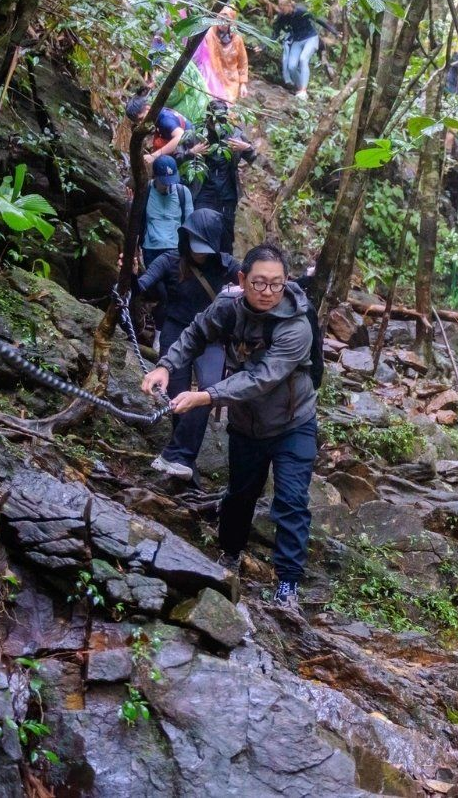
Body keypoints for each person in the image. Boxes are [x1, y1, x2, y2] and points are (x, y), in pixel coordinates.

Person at [142, 244, 317, 605]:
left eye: (276, 284)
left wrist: (205, 396)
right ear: (242, 279)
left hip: (292, 423)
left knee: (292, 500)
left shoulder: (297, 326)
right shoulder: (228, 307)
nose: (268, 292)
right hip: (246, 424)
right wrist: (165, 365)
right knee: (240, 495)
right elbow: (194, 333)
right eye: (259, 283)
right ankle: (230, 555)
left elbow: (262, 378)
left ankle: (288, 584)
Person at [136, 209, 238, 479]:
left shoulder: (228, 267)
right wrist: (130, 274)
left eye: (206, 248)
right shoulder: (170, 260)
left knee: (208, 391)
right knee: (177, 392)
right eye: (195, 245)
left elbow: (257, 283)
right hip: (177, 330)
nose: (200, 253)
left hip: (212, 336)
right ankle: (182, 459)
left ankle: (178, 456)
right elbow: (143, 285)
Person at [186, 99, 256, 254]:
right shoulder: (197, 134)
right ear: (208, 118)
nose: (217, 125)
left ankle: (224, 272)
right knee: (201, 233)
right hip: (203, 193)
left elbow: (258, 162)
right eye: (214, 120)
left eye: (221, 120)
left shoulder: (235, 134)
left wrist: (248, 148)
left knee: (226, 237)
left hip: (227, 194)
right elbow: (177, 158)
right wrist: (191, 153)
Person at [271, 0, 334, 97]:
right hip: (297, 40)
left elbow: (319, 20)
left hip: (311, 38)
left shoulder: (301, 10)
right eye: (280, 9)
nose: (282, 11)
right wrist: (262, 45)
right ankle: (301, 90)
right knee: (291, 67)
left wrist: (335, 32)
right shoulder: (282, 16)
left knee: (303, 59)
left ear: (289, 5)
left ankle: (303, 90)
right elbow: (275, 33)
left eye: (283, 8)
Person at [139, 155, 193, 267]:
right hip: (151, 249)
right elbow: (137, 220)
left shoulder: (183, 192)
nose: (168, 184)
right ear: (155, 176)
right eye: (164, 181)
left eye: (171, 180)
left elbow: (190, 224)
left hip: (175, 249)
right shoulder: (145, 191)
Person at [196, 6, 250, 104]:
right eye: (220, 19)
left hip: (230, 80)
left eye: (226, 20)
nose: (222, 23)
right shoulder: (209, 34)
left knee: (227, 107)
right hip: (212, 77)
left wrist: (243, 84)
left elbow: (243, 62)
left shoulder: (237, 39)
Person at [126, 96, 193, 164]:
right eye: (137, 121)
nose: (140, 123)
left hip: (190, 147)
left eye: (141, 119)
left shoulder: (165, 119)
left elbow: (180, 136)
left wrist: (154, 156)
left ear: (148, 108)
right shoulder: (158, 113)